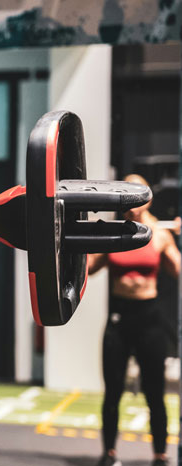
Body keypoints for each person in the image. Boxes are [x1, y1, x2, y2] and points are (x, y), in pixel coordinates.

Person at [89, 174, 180, 466]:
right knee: (112, 391)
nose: (130, 204)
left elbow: (177, 270)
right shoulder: (113, 234)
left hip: (149, 319)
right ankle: (109, 454)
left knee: (155, 392)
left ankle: (160, 455)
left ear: (147, 199)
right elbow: (88, 269)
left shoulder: (160, 233)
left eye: (135, 196)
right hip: (119, 318)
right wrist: (71, 239)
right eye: (124, 196)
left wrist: (177, 237)